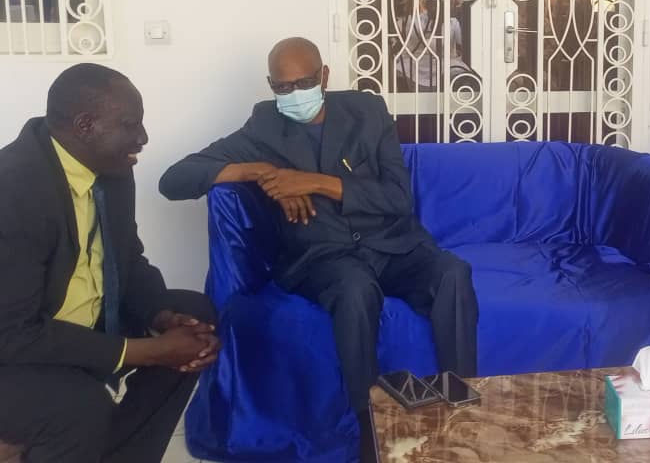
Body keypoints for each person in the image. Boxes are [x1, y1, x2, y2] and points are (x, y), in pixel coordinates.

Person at [158, 38, 479, 451]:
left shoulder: (366, 111)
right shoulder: (264, 126)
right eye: (283, 87)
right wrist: (259, 171)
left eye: (304, 83)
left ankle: (460, 398)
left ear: (324, 76)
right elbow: (173, 180)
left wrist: (314, 183)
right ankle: (368, 423)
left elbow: (398, 198)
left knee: (453, 272)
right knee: (355, 289)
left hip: (392, 245)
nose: (294, 94)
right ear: (271, 86)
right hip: (324, 257)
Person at [0, 64, 220, 463]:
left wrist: (162, 316)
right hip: (12, 352)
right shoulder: (13, 191)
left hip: (77, 323)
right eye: (130, 124)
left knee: (195, 320)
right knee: (78, 407)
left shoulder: (112, 167)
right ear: (85, 126)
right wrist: (145, 351)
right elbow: (13, 333)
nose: (143, 137)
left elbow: (127, 259)